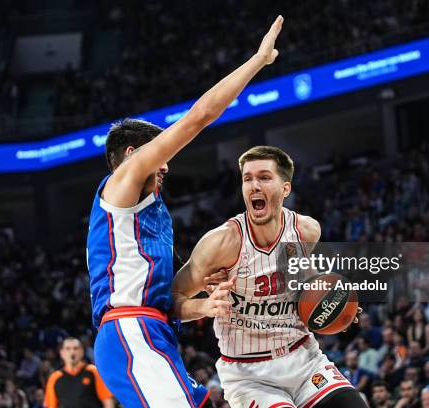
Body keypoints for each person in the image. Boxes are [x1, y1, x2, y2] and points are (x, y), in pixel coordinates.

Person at [86, 16, 285, 408]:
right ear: (133, 154)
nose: (167, 165)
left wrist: (205, 306)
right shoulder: (123, 183)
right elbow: (199, 116)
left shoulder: (150, 218)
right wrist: (258, 61)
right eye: (160, 154)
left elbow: (169, 301)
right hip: (129, 330)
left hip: (152, 330)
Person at [172, 146, 367, 407]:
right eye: (247, 178)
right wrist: (204, 307)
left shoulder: (306, 231)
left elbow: (307, 283)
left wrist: (337, 299)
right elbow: (171, 300)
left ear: (285, 188)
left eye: (264, 177)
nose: (254, 185)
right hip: (250, 375)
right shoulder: (222, 243)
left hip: (304, 359)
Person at [44, 338, 114, 408]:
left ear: (82, 351)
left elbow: (107, 400)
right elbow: (51, 405)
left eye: (76, 348)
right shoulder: (54, 378)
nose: (72, 352)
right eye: (68, 349)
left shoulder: (93, 371)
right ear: (61, 353)